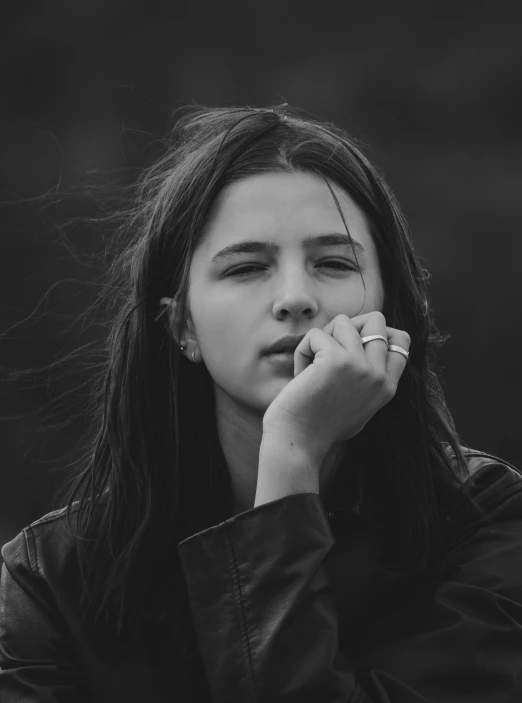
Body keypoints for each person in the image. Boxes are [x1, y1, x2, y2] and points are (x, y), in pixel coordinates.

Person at [1, 104, 522, 702]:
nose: (296, 298)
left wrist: (291, 452)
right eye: (247, 268)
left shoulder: (486, 526)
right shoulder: (54, 579)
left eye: (333, 263)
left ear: (388, 310)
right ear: (182, 329)